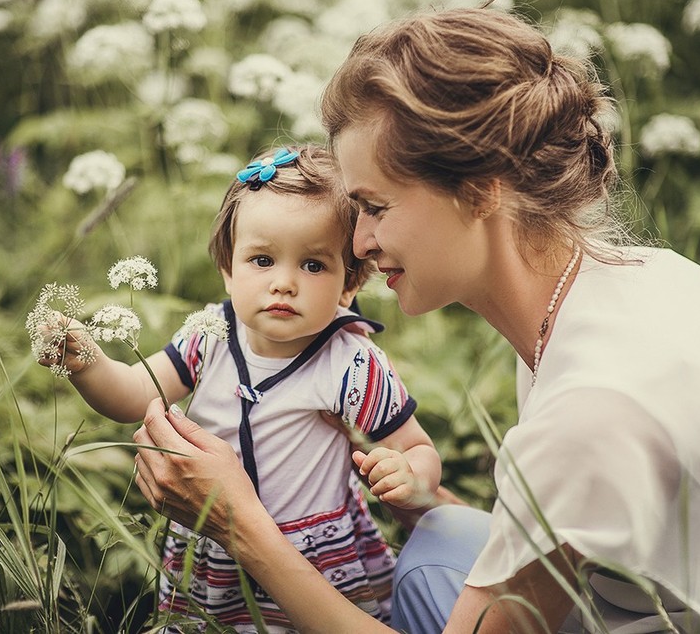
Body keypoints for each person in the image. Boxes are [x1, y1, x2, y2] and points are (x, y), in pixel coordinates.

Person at [130, 6, 700, 634]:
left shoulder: (592, 406)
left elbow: (577, 454)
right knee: (443, 540)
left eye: (376, 207)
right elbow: (569, 530)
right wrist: (426, 497)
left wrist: (240, 525)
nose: (357, 243)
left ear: (480, 190)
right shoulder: (627, 281)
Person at [39, 144, 442, 632]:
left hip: (314, 562)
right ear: (228, 270)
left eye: (313, 265)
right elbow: (134, 396)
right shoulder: (208, 335)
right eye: (262, 259)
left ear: (348, 285)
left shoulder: (351, 363)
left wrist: (407, 472)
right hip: (214, 553)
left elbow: (417, 446)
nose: (284, 283)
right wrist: (89, 364)